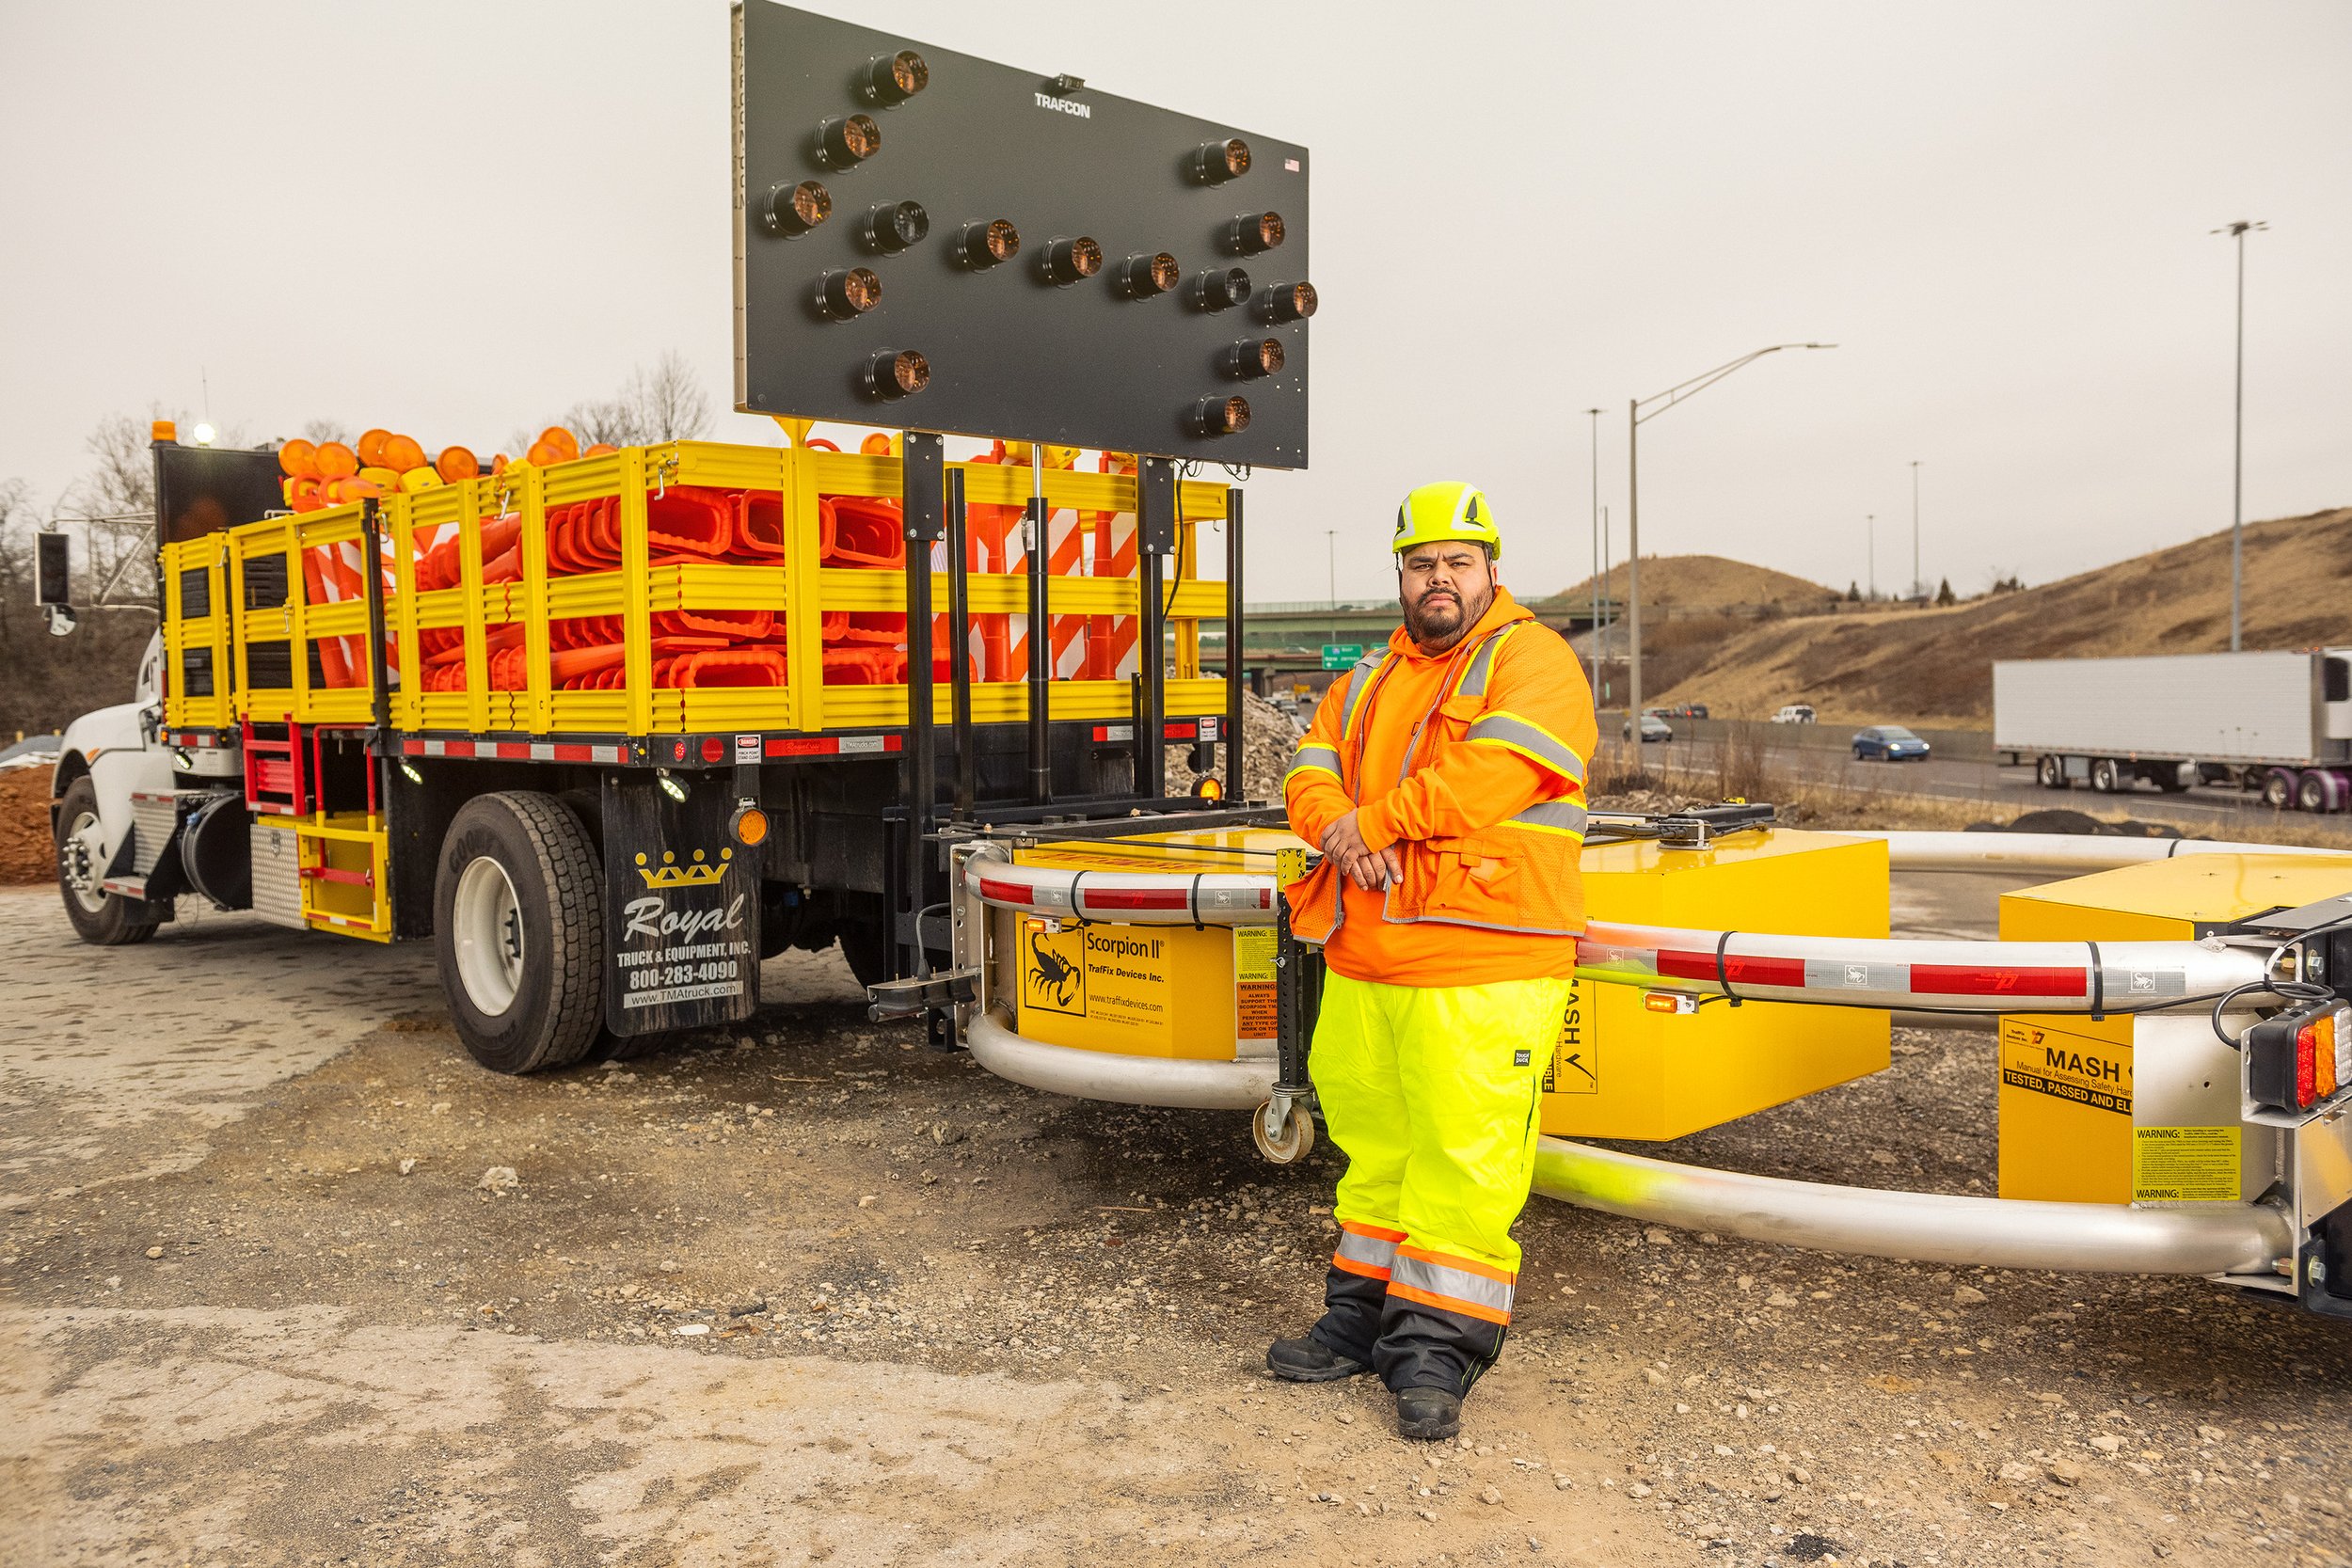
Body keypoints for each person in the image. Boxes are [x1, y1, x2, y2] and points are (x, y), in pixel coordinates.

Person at [1268, 481, 1597, 1441]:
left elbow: (1492, 773)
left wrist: (1372, 822)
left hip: (1484, 962)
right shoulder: (1368, 677)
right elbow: (1306, 761)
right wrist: (1332, 824)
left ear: (1491, 568)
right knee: (1377, 1152)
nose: (1439, 578)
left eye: (1458, 560)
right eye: (1422, 563)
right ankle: (1361, 1315)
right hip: (1367, 957)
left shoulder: (1533, 660)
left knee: (1464, 1159)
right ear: (1401, 576)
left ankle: (1435, 1349)